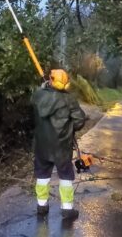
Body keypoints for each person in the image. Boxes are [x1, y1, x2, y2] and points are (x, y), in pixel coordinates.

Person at [30, 69, 86, 220]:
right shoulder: (69, 100)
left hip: (42, 145)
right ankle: (67, 209)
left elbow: (35, 104)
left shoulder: (38, 95)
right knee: (66, 176)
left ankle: (41, 206)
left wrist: (44, 88)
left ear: (50, 79)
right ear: (66, 83)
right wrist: (69, 129)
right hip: (62, 146)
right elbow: (80, 121)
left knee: (42, 175)